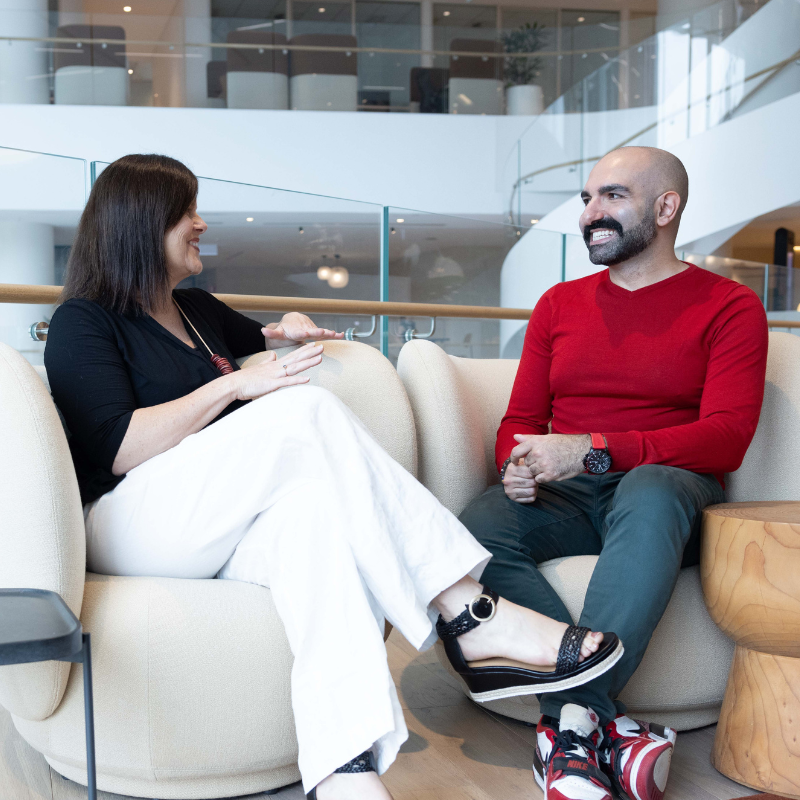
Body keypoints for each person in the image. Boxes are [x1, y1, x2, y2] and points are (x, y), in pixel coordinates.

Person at [44, 154, 624, 800]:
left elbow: (260, 334)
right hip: (129, 518)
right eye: (186, 212)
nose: (200, 222)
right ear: (141, 223)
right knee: (306, 411)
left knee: (312, 524)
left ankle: (342, 768)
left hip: (211, 516)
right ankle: (467, 609)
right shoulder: (83, 321)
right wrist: (237, 383)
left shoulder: (197, 309)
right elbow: (120, 447)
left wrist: (281, 329)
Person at [459, 146, 768, 800]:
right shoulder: (558, 306)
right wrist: (517, 463)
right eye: (587, 199)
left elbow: (727, 436)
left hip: (668, 490)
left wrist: (594, 449)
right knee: (476, 526)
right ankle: (591, 721)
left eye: (613, 197)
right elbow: (519, 418)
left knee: (652, 489)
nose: (591, 214)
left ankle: (571, 726)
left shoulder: (729, 307)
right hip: (567, 497)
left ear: (665, 207)